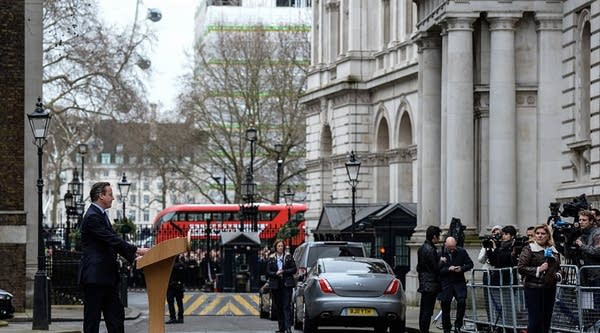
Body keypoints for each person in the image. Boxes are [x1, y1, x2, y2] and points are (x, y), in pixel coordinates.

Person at [78, 182, 149, 333]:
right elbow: (111, 239)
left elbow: (112, 242)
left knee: (116, 318)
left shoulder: (100, 215)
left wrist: (133, 258)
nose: (113, 198)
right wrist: (137, 250)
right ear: (101, 196)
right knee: (92, 322)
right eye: (110, 194)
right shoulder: (92, 217)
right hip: (95, 278)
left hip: (107, 277)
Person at [517, 223, 562, 333]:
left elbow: (559, 267)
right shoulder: (529, 248)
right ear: (534, 235)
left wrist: (557, 275)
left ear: (548, 235)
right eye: (537, 233)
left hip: (550, 287)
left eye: (543, 233)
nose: (540, 236)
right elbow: (521, 268)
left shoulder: (553, 250)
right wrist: (538, 269)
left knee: (546, 319)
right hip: (533, 288)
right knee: (535, 319)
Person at [439, 236, 474, 333]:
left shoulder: (461, 251)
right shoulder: (440, 253)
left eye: (453, 247)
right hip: (446, 283)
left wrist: (461, 269)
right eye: (450, 247)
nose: (452, 249)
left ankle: (458, 325)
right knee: (445, 306)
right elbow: (437, 270)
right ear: (446, 245)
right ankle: (447, 328)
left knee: (462, 302)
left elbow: (470, 264)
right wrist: (448, 269)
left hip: (459, 282)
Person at [575, 210, 600, 325]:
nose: (581, 222)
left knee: (597, 304)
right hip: (585, 275)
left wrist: (582, 245)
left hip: (597, 275)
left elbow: (597, 251)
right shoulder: (581, 234)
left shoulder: (597, 233)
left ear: (591, 221)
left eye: (584, 220)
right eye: (579, 220)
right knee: (588, 306)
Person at [266, 239, 297, 333]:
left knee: (286, 306)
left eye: (282, 246)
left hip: (286, 284)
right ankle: (281, 328)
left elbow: (294, 269)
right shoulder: (271, 258)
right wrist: (276, 273)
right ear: (276, 247)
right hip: (276, 285)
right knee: (278, 307)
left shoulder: (288, 257)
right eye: (279, 246)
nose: (280, 247)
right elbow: (268, 272)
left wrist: (284, 271)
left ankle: (288, 328)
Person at [417, 225, 442, 333]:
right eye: (438, 236)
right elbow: (435, 268)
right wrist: (442, 261)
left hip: (423, 282)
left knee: (423, 310)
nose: (439, 239)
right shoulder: (431, 250)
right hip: (431, 284)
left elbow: (419, 267)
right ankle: (424, 331)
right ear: (434, 237)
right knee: (428, 311)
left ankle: (423, 329)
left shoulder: (421, 248)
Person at [166, 254, 186, 324]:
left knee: (171, 302)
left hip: (171, 286)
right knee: (179, 302)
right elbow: (185, 276)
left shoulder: (169, 265)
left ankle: (173, 317)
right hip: (179, 286)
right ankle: (180, 318)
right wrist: (182, 284)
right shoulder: (182, 265)